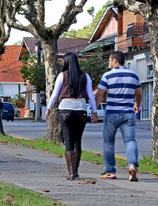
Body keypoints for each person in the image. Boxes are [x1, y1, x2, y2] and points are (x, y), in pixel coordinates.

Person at [46, 53, 98, 180]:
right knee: (77, 141)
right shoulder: (85, 76)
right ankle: (76, 170)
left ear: (66, 62)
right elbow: (91, 96)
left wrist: (48, 108)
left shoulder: (62, 76)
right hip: (81, 111)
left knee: (68, 141)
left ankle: (71, 173)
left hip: (65, 111)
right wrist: (94, 112)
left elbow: (54, 94)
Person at [95, 51, 142, 182]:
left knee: (109, 142)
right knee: (130, 141)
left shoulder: (107, 76)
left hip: (111, 114)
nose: (109, 63)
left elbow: (99, 94)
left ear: (114, 60)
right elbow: (139, 93)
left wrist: (94, 110)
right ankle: (132, 165)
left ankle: (110, 171)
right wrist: (137, 104)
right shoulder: (134, 75)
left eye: (109, 60)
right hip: (128, 113)